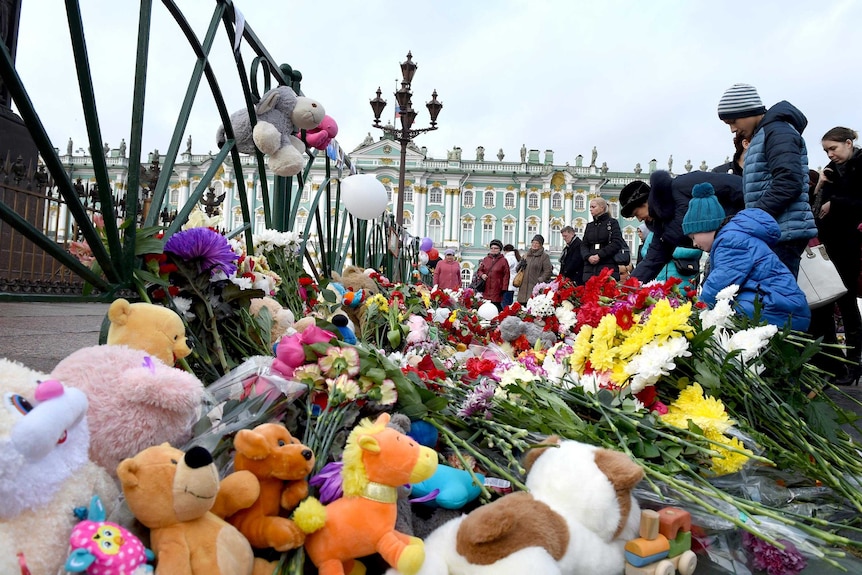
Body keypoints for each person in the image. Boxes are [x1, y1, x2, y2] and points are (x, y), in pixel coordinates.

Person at [716, 83, 817, 277]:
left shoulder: (777, 132)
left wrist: (752, 216)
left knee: (777, 299)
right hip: (777, 228)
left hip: (783, 231)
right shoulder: (766, 134)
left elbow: (788, 181)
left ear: (749, 111)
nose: (732, 129)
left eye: (733, 121)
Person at [683, 182, 810, 331]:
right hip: (780, 304)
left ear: (706, 227)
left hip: (779, 308)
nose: (694, 244)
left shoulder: (730, 242)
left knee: (731, 313)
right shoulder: (732, 238)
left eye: (693, 236)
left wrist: (698, 310)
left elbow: (719, 283)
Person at [621, 171, 743, 283]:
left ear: (646, 202)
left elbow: (733, 185)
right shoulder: (662, 228)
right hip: (722, 252)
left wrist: (755, 209)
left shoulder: (682, 185)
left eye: (637, 214)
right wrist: (628, 287)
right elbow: (652, 261)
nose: (640, 219)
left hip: (741, 234)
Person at [811, 127, 862, 384]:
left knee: (847, 303)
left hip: (851, 244)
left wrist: (837, 202)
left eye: (834, 148)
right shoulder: (832, 173)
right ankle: (837, 364)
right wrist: (820, 185)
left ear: (849, 144)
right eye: (826, 151)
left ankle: (853, 365)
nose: (831, 154)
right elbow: (816, 209)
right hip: (829, 245)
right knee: (827, 306)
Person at [638, 227, 702, 286]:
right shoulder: (656, 230)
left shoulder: (685, 229)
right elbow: (644, 251)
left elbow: (697, 251)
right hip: (659, 278)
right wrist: (659, 253)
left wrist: (672, 252)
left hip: (682, 278)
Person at [580, 197, 623, 282]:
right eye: (590, 207)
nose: (590, 209)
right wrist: (588, 256)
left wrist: (600, 255)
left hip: (607, 265)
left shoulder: (612, 223)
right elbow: (584, 245)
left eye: (593, 207)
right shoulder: (590, 226)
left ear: (602, 207)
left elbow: (616, 243)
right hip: (590, 269)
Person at [515, 235, 552, 305]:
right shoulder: (526, 255)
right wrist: (520, 265)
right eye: (533, 243)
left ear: (541, 245)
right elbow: (517, 270)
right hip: (522, 290)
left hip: (535, 289)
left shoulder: (544, 257)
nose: (534, 245)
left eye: (537, 243)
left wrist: (540, 281)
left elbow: (548, 271)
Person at [475, 239, 510, 311]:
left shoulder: (503, 261)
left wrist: (504, 289)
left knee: (496, 307)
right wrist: (482, 275)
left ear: (500, 249)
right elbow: (479, 270)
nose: (493, 250)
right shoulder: (486, 259)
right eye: (492, 248)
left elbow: (506, 275)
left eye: (496, 248)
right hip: (486, 288)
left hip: (497, 288)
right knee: (486, 307)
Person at [501, 244, 520, 308]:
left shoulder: (508, 258)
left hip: (508, 284)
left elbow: (504, 269)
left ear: (505, 251)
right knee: (510, 302)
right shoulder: (516, 257)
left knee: (505, 304)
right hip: (513, 283)